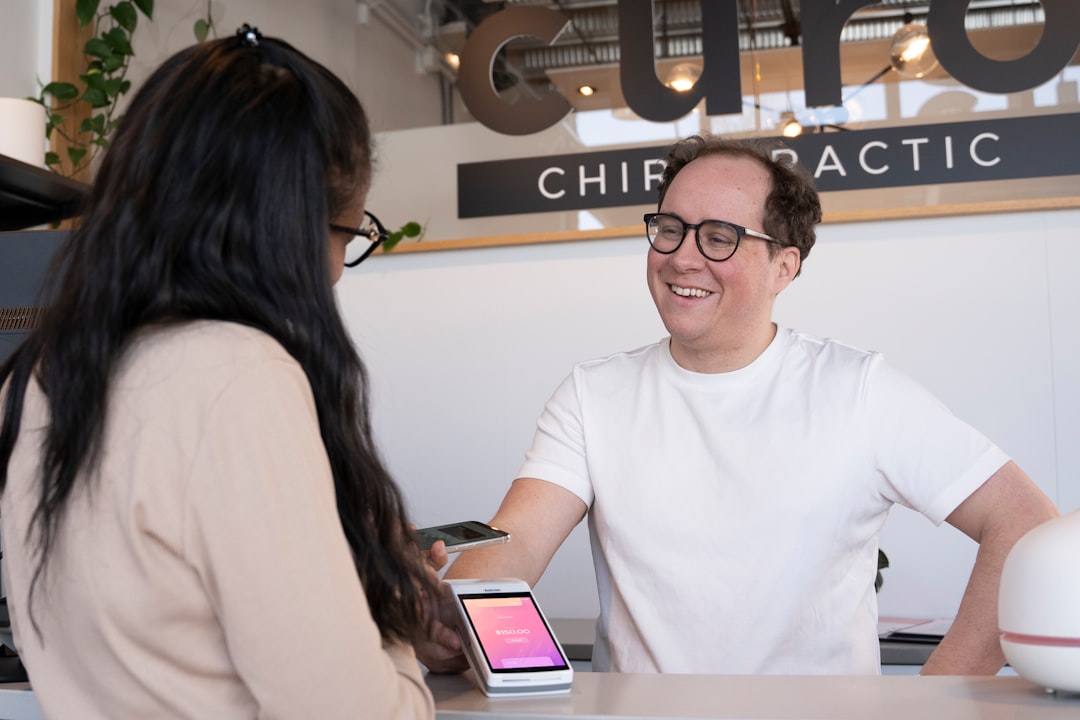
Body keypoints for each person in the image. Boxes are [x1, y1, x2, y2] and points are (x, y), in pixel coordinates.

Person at [422, 134, 1059, 676]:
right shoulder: (593, 395)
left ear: (785, 267)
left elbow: (1024, 522)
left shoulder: (860, 390)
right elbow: (514, 549)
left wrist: (937, 698)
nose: (681, 256)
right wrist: (442, 614)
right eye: (669, 229)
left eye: (719, 236)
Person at [0, 27, 440, 719]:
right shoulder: (235, 379)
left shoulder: (33, 378)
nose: (332, 275)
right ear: (288, 229)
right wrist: (389, 617)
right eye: (346, 235)